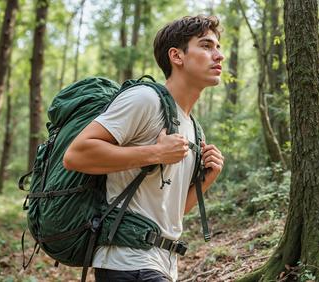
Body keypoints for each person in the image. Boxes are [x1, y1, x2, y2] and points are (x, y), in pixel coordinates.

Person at [63, 14, 225, 282]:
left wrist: (206, 180)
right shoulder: (145, 99)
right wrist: (156, 153)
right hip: (128, 263)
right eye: (206, 46)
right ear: (177, 56)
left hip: (161, 265)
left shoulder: (194, 128)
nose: (218, 55)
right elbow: (76, 154)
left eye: (218, 47)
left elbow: (172, 210)